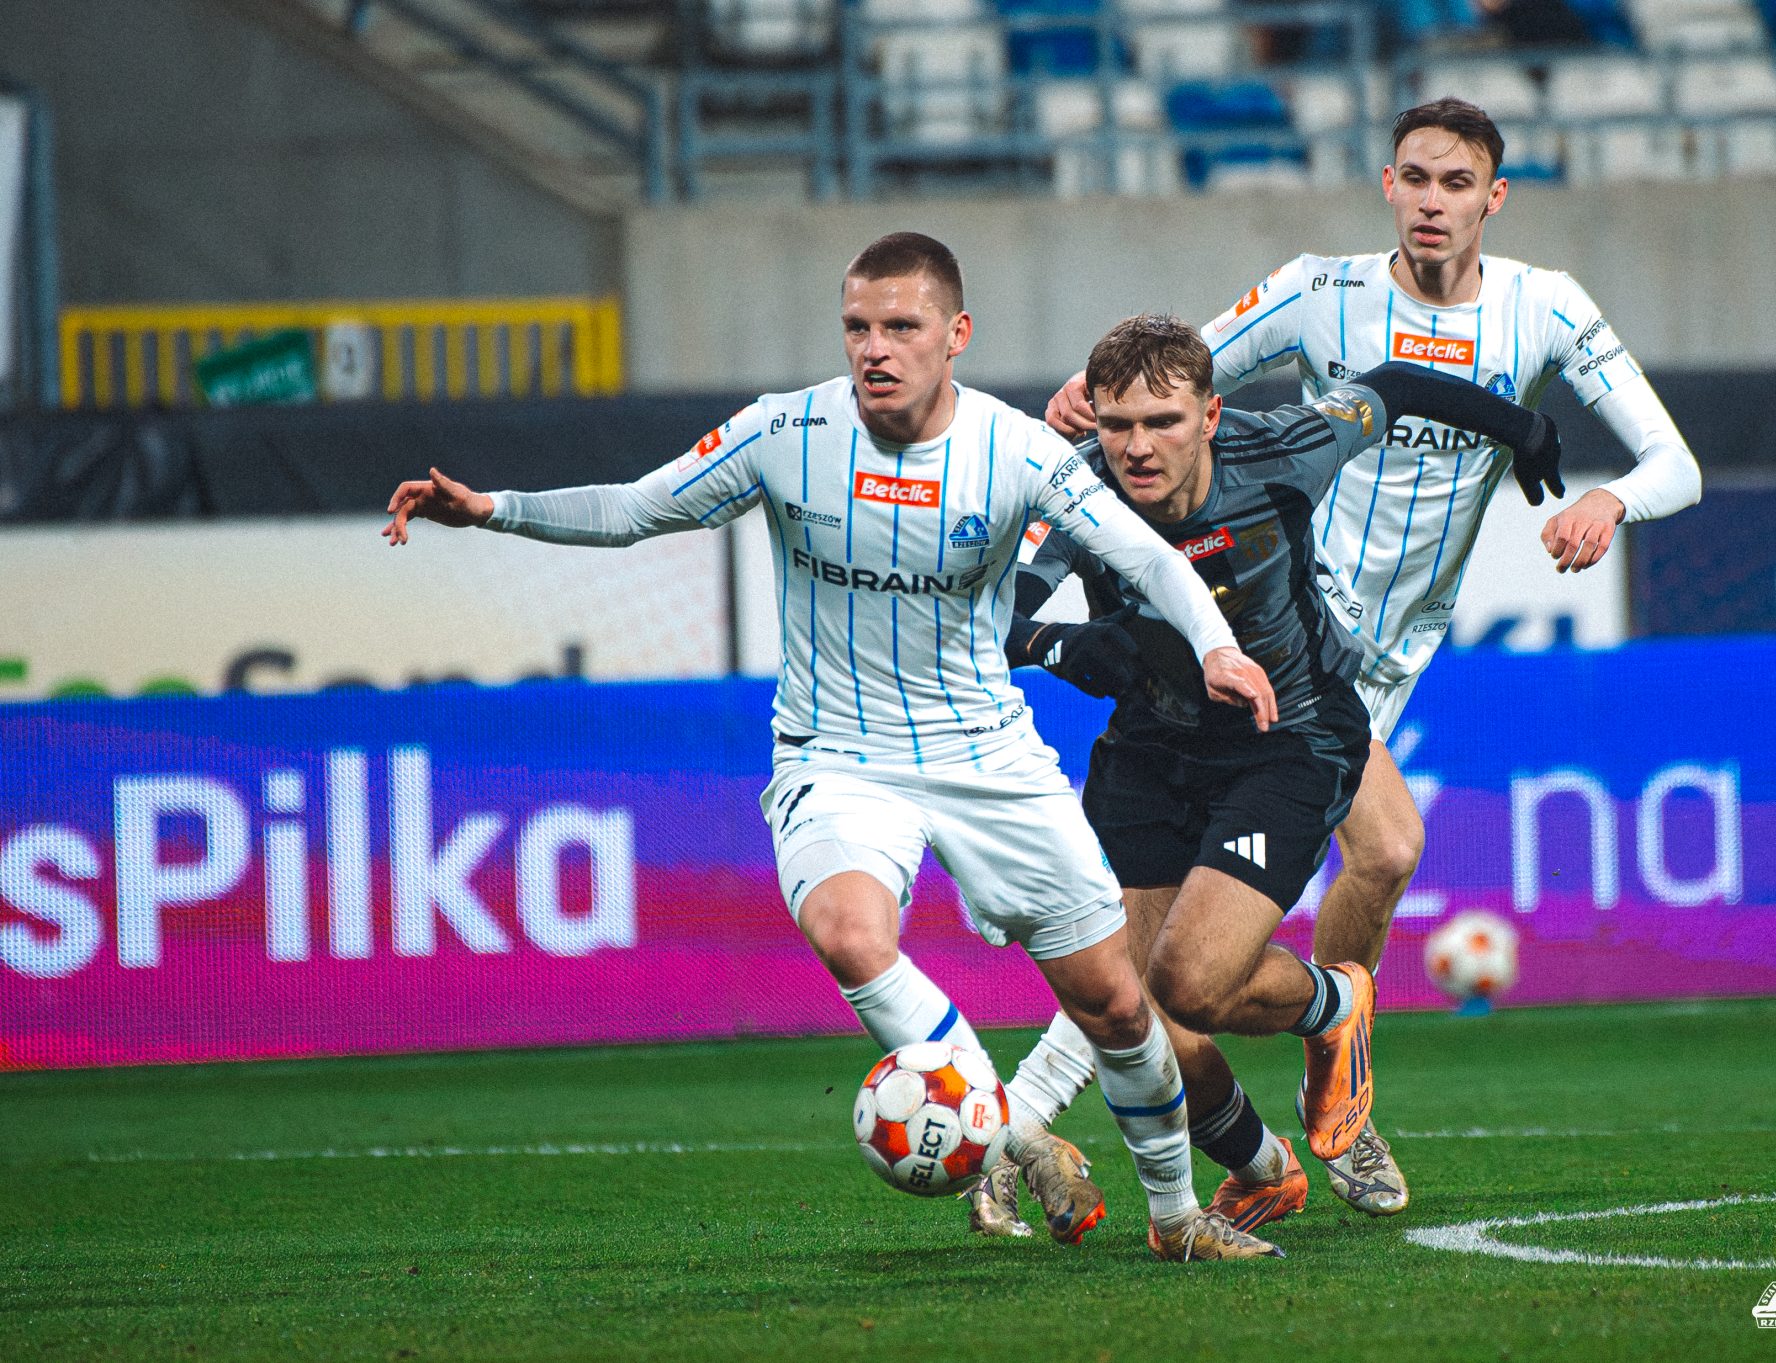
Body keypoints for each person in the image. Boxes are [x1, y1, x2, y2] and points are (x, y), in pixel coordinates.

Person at [381, 232, 1287, 1262]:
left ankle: (1175, 1217)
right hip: (837, 752)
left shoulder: (1014, 451)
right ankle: (1004, 1129)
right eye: (858, 325)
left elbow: (1147, 556)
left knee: (1116, 1004)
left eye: (901, 326)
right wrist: (493, 511)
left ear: (956, 334)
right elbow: (636, 508)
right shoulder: (786, 432)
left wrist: (1215, 645)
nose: (875, 347)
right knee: (851, 934)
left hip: (986, 752)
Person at [1040, 97, 1703, 1217]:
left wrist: (1609, 499)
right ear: (1387, 185)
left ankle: (1307, 1071)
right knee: (1321, 879)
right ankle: (1051, 1117)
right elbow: (1180, 379)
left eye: (1457, 183)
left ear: (1493, 198)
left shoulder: (1544, 308)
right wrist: (1085, 400)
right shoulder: (1319, 291)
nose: (1432, 202)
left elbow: (1673, 464)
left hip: (1399, 649)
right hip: (1295, 640)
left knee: (1367, 864)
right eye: (1414, 179)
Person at [969, 314, 1565, 1240]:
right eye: (1117, 424)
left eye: (1162, 421)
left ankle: (1334, 1005)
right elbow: (984, 617)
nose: (1136, 446)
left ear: (1210, 416)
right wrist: (1061, 644)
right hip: (1150, 750)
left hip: (1285, 737)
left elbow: (1395, 383)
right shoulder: (1076, 488)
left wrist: (1521, 427)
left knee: (1192, 983)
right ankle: (1261, 1168)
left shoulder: (1285, 448)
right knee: (1142, 1019)